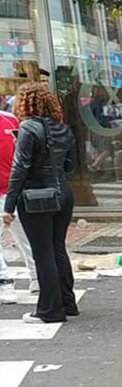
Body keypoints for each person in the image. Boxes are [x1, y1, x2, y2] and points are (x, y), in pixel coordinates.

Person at [3, 82, 78, 324]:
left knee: (42, 251)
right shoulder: (63, 129)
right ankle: (68, 302)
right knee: (58, 247)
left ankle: (49, 310)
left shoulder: (28, 128)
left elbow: (20, 168)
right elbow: (70, 166)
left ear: (25, 102)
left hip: (35, 196)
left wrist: (9, 206)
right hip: (63, 193)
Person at [0, 108, 39, 299]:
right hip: (15, 189)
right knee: (26, 238)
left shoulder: (11, 120)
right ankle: (35, 279)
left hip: (13, 189)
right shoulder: (11, 120)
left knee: (25, 237)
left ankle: (8, 284)